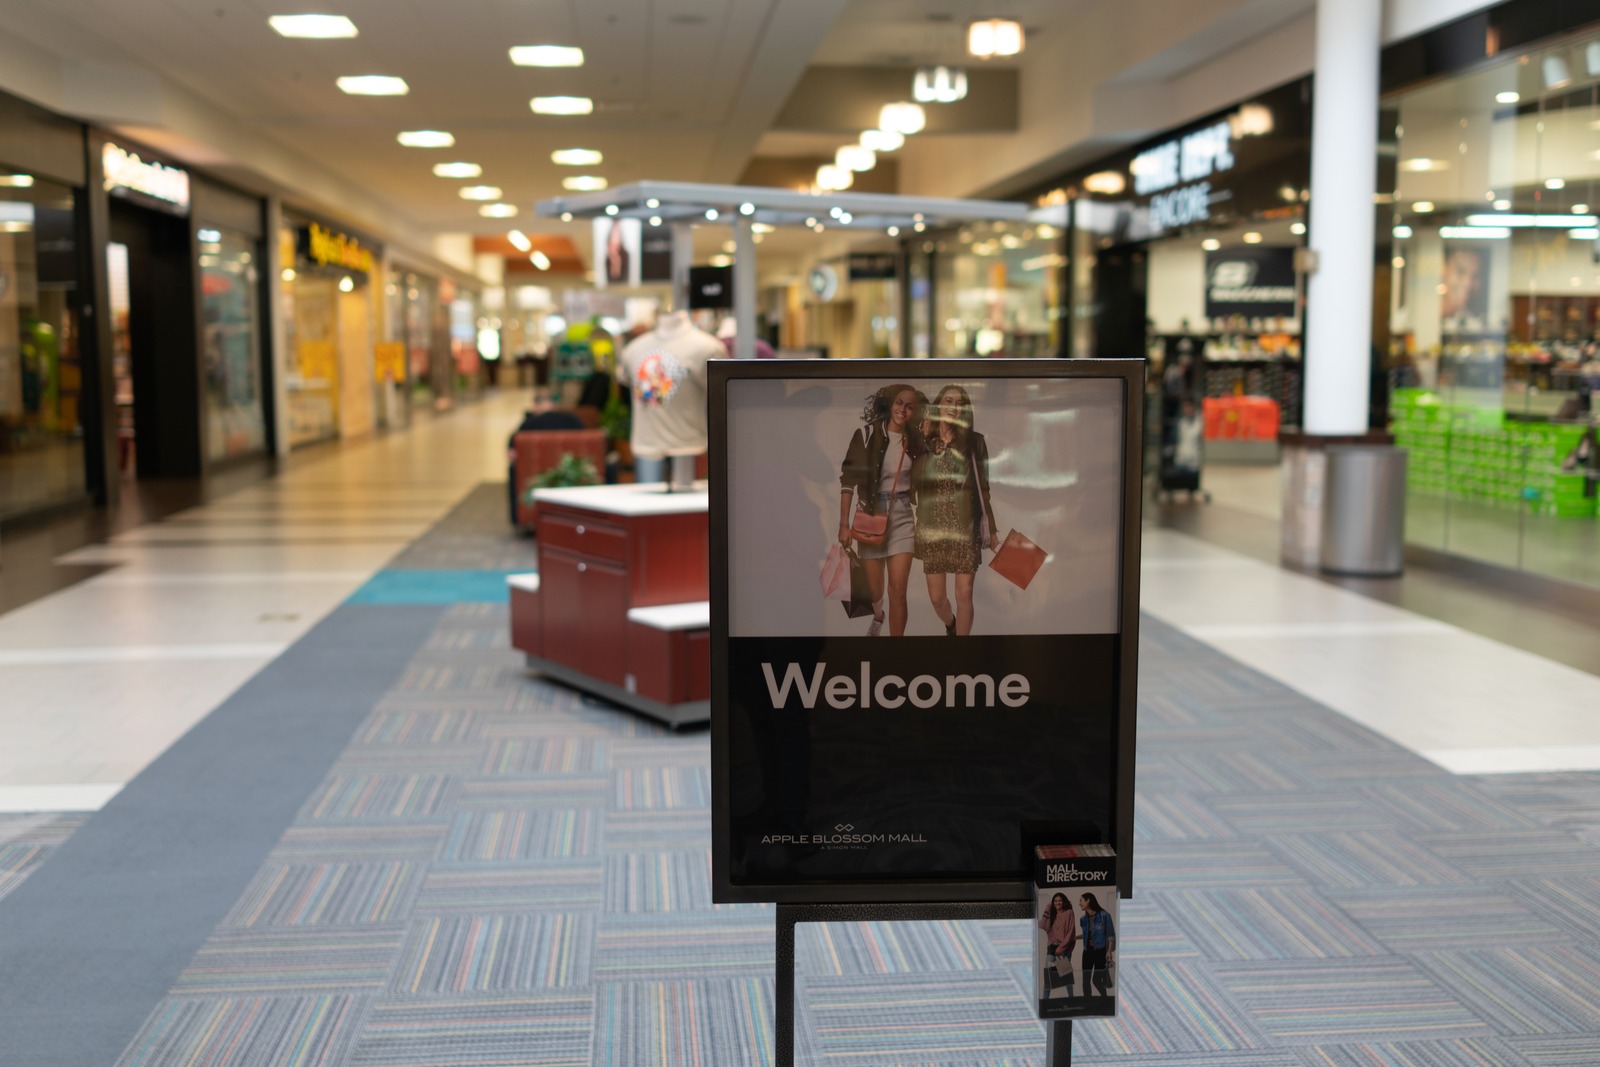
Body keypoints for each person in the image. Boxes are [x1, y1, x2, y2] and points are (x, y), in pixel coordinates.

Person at [839, 384, 927, 637]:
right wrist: (844, 524)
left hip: (901, 514)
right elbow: (848, 481)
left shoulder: (917, 441)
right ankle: (878, 616)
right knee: (876, 591)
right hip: (870, 513)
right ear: (890, 403)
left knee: (898, 590)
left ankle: (895, 647)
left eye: (910, 406)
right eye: (899, 403)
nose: (903, 409)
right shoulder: (866, 435)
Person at [913, 384, 998, 636]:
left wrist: (991, 529)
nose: (954, 407)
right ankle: (951, 626)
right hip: (932, 528)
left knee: (964, 594)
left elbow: (984, 490)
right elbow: (913, 481)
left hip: (964, 527)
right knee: (938, 599)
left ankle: (962, 651)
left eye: (960, 403)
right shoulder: (923, 441)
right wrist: (923, 437)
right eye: (949, 401)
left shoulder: (974, 442)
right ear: (939, 404)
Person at [1037, 892, 1077, 999]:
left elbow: (1071, 933)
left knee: (1066, 976)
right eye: (1055, 901)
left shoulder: (1069, 913)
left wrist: (1061, 947)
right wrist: (1047, 907)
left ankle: (1071, 999)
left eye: (1060, 900)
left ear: (1064, 901)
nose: (1057, 903)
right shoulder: (1052, 914)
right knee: (1048, 977)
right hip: (1051, 948)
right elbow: (1041, 925)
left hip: (1064, 949)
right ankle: (1045, 1002)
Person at [1078, 893, 1116, 996]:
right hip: (1087, 952)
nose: (1079, 903)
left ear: (1088, 900)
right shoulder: (1083, 919)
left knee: (1097, 980)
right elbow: (1088, 934)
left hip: (1100, 952)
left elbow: (1110, 935)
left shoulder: (1104, 916)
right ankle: (1087, 1004)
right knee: (1085, 980)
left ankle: (1105, 999)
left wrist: (1109, 951)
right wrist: (1075, 937)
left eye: (1081, 900)